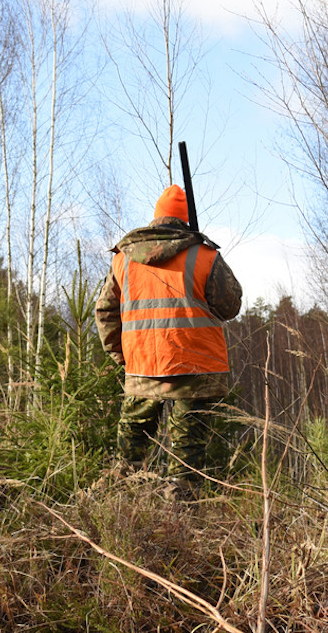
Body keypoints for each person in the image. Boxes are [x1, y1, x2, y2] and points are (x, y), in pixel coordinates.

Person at [95, 184, 242, 490]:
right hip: (196, 372)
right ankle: (182, 522)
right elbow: (230, 306)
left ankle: (124, 515)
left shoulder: (124, 259)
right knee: (188, 461)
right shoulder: (205, 256)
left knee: (130, 457)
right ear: (186, 220)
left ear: (157, 218)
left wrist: (123, 357)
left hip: (142, 368)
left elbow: (105, 313)